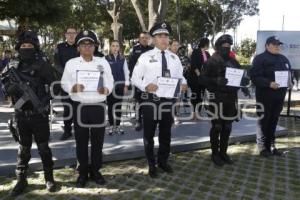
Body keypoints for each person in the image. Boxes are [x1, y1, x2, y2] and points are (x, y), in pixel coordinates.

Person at [1, 30, 58, 196]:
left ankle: (49, 178)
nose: (26, 48)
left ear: (35, 47)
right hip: (20, 114)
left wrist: (44, 101)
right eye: (24, 46)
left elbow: (55, 86)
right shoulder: (12, 64)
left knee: (43, 148)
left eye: (30, 46)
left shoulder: (43, 63)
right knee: (23, 148)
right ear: (19, 47)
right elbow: (4, 86)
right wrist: (10, 89)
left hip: (38, 114)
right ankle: (21, 179)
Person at [131, 22, 188, 178]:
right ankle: (151, 164)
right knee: (149, 135)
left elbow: (180, 76)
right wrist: (145, 86)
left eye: (166, 36)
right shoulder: (145, 57)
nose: (163, 39)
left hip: (168, 101)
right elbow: (134, 78)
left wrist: (184, 82)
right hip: (150, 100)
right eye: (159, 36)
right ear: (153, 39)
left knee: (165, 133)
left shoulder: (174, 58)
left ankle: (163, 161)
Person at [61, 30, 114, 188]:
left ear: (94, 46)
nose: (86, 47)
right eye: (83, 44)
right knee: (81, 141)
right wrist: (73, 87)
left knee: (98, 141)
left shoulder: (102, 61)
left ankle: (96, 171)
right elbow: (64, 83)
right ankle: (82, 172)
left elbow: (110, 80)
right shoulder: (71, 63)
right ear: (78, 47)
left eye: (90, 44)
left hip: (98, 105)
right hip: (80, 107)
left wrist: (107, 89)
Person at [197, 34, 250, 166]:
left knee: (227, 126)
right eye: (224, 46)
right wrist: (215, 80)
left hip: (231, 98)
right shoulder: (212, 61)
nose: (226, 48)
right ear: (218, 47)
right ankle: (215, 154)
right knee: (217, 126)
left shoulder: (234, 62)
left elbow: (241, 77)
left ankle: (223, 152)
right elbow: (202, 79)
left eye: (228, 46)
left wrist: (244, 84)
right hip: (216, 98)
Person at [249, 36, 293, 157]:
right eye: (274, 44)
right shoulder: (260, 59)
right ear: (267, 45)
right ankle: (262, 147)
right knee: (263, 120)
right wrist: (268, 83)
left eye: (278, 45)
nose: (277, 47)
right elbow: (254, 77)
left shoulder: (283, 58)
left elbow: (290, 73)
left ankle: (271, 145)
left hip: (279, 96)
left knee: (274, 120)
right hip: (265, 96)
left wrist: (291, 82)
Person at [54, 27, 79, 140]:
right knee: (68, 108)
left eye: (73, 33)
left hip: (79, 83)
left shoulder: (81, 47)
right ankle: (67, 131)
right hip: (65, 83)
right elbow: (56, 64)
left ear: (76, 34)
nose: (71, 35)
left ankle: (80, 131)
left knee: (79, 108)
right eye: (69, 33)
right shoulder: (59, 47)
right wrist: (67, 73)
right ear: (65, 35)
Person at [128, 32, 153, 131]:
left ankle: (149, 120)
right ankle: (139, 121)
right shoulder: (134, 49)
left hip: (149, 80)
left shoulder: (152, 50)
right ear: (139, 39)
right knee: (139, 101)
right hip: (138, 80)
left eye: (146, 38)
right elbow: (131, 65)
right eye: (142, 38)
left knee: (150, 101)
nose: (144, 39)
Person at [105, 40, 130, 135]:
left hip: (120, 86)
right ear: (110, 47)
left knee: (118, 107)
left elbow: (126, 72)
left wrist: (126, 85)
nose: (115, 48)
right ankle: (111, 126)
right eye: (113, 46)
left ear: (119, 48)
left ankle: (118, 126)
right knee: (111, 107)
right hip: (110, 87)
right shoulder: (105, 59)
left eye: (117, 46)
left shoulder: (122, 59)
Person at [190, 37, 210, 120]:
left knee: (201, 96)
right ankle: (194, 113)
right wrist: (199, 75)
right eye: (208, 43)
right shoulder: (196, 51)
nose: (208, 45)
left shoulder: (207, 53)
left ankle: (198, 112)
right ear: (205, 43)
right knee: (195, 95)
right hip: (195, 78)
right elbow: (193, 64)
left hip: (204, 78)